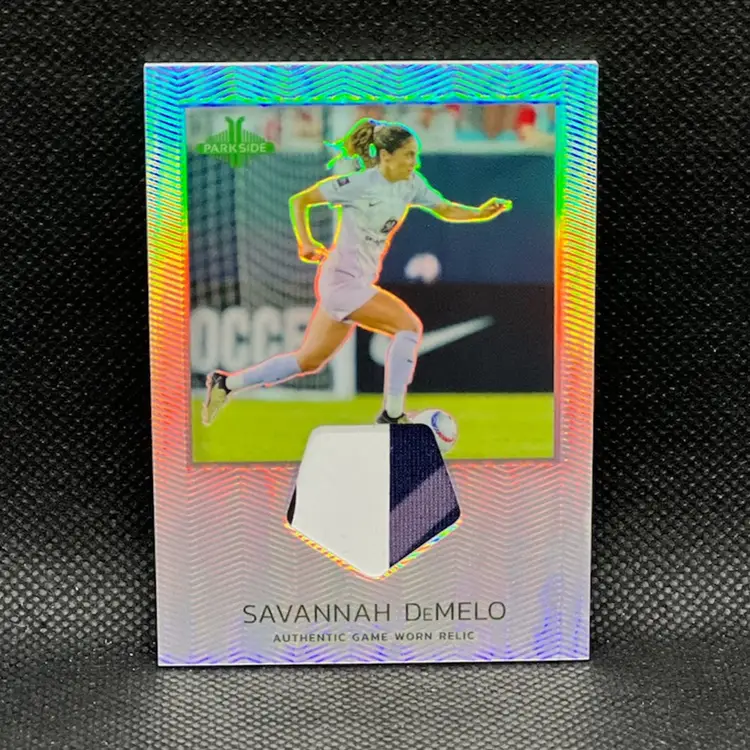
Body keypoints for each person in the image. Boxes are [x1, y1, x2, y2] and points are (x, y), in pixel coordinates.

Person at [201, 118, 512, 427]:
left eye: (415, 155)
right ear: (386, 155)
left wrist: (479, 213)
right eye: (408, 155)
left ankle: (226, 384)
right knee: (409, 327)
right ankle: (393, 414)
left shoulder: (411, 184)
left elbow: (444, 208)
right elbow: (301, 200)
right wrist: (306, 242)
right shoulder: (359, 185)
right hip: (342, 282)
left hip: (356, 282)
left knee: (308, 360)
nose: (414, 162)